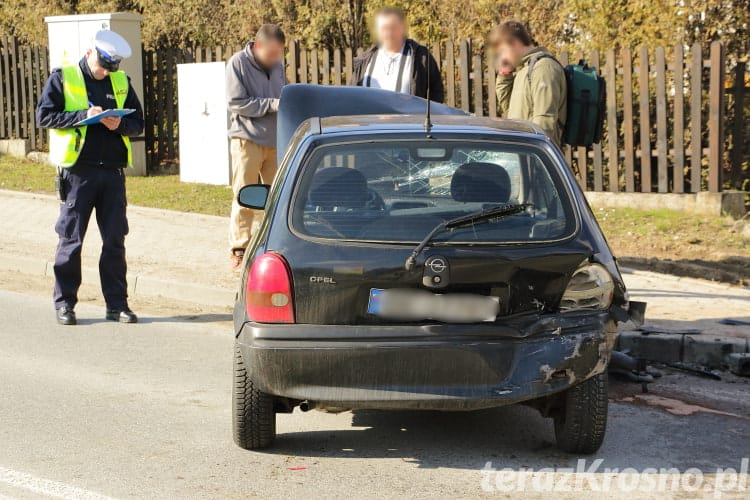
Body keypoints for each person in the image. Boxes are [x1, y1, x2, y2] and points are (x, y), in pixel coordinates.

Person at [36, 29, 144, 326]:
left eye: (109, 68)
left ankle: (117, 305)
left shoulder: (120, 81)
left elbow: (138, 124)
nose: (104, 72)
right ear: (89, 53)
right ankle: (65, 304)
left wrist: (119, 123)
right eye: (101, 66)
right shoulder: (64, 77)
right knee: (71, 241)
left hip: (111, 173)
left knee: (114, 241)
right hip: (78, 173)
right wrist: (81, 116)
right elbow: (44, 116)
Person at [226, 24, 287, 271]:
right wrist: (273, 105)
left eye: (279, 53)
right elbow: (236, 102)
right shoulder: (237, 63)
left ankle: (275, 246)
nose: (276, 58)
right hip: (247, 141)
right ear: (258, 46)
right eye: (272, 53)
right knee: (245, 197)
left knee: (279, 196)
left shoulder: (278, 67)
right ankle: (239, 249)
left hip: (275, 141)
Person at [492, 21, 567, 146]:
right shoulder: (525, 69)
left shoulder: (543, 68)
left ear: (514, 43)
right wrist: (504, 75)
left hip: (533, 158)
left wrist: (532, 154)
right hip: (523, 153)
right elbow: (509, 110)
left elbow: (544, 122)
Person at [351, 6, 444, 103]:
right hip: (369, 117)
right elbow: (352, 95)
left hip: (410, 118)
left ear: (402, 28)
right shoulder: (365, 60)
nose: (389, 33)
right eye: (384, 28)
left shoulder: (421, 57)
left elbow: (436, 92)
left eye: (393, 28)